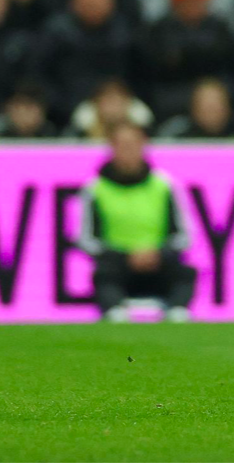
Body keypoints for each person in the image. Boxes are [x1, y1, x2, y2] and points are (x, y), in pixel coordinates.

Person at [76, 121, 196, 323]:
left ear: (143, 145)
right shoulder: (95, 189)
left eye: (133, 145)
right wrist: (125, 256)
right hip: (118, 264)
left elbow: (184, 236)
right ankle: (114, 311)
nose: (128, 151)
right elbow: (85, 239)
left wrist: (156, 253)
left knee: (185, 272)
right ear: (112, 148)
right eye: (122, 146)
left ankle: (177, 311)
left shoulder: (164, 185)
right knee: (103, 274)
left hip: (158, 262)